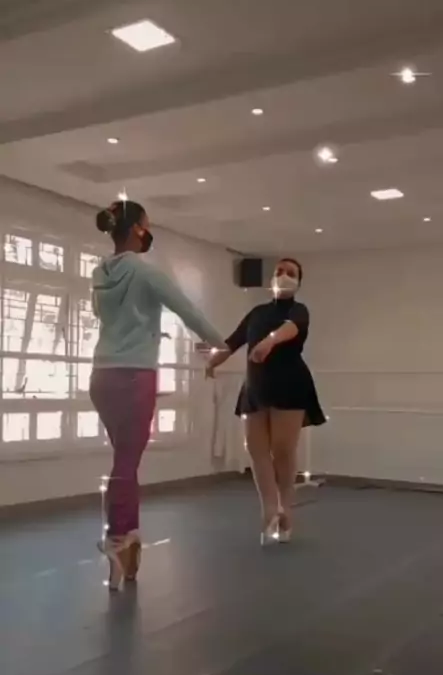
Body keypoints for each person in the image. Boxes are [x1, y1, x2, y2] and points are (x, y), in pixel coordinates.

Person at [90, 200, 225, 590]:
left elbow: (105, 317)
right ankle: (118, 537)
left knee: (124, 461)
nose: (149, 232)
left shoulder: (99, 273)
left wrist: (145, 328)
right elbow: (189, 312)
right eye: (147, 225)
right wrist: (225, 345)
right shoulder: (146, 272)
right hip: (134, 376)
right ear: (136, 229)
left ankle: (128, 538)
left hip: (101, 377)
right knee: (125, 464)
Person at [206, 258, 325, 545]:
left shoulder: (299, 310)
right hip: (256, 387)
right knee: (256, 450)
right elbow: (232, 342)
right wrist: (213, 361)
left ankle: (285, 509)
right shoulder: (257, 313)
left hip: (290, 386)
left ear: (298, 282)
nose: (283, 275)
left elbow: (290, 329)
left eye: (291, 273)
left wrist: (269, 341)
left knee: (282, 451)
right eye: (279, 271)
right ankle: (269, 511)